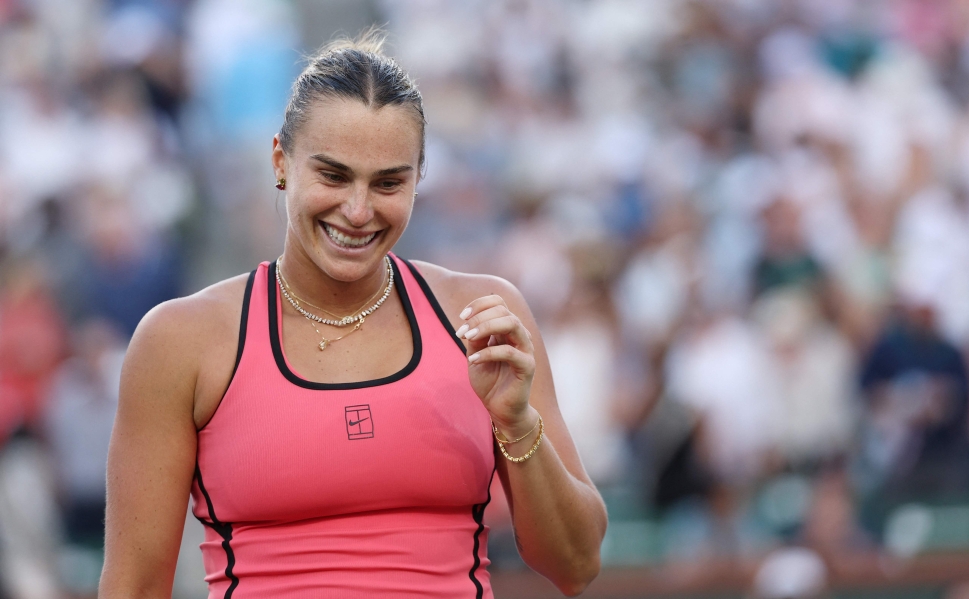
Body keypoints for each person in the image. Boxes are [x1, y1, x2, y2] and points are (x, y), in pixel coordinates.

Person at [98, 32, 606, 598]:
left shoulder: (482, 319)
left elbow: (577, 563)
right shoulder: (181, 341)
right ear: (280, 162)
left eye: (389, 183)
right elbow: (133, 586)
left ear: (419, 180)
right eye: (334, 176)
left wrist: (516, 423)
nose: (359, 211)